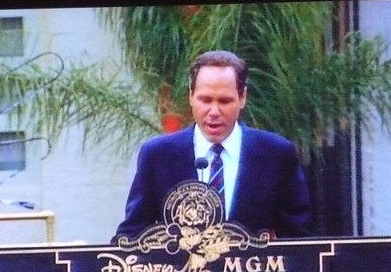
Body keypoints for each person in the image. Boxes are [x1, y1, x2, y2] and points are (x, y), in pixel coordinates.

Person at [113, 50, 312, 241]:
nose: (214, 111)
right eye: (205, 100)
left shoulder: (276, 154)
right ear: (191, 96)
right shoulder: (157, 155)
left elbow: (299, 241)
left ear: (242, 98)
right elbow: (132, 236)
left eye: (224, 101)